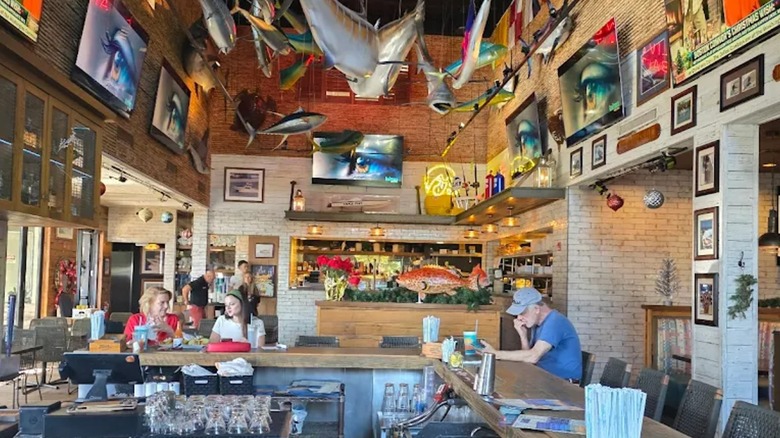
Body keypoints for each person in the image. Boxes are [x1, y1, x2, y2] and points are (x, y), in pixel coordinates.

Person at [479, 288, 582, 382]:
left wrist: (495, 354)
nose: (518, 318)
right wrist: (523, 335)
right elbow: (528, 359)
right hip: (545, 378)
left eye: (522, 313)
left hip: (563, 384)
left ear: (536, 309)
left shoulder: (554, 322)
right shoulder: (538, 323)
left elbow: (533, 356)